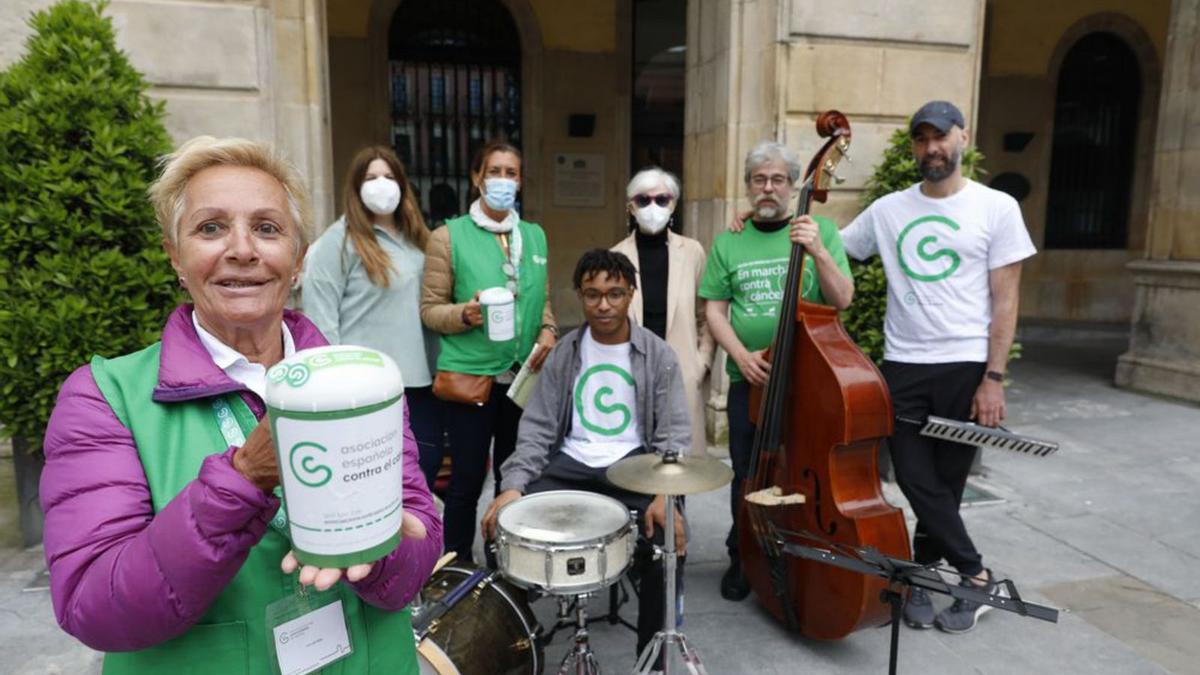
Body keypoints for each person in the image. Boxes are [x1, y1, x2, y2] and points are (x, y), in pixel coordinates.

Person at [39, 136, 442, 673]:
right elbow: (95, 606)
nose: (243, 250)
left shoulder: (363, 384)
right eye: (211, 228)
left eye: (267, 228)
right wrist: (245, 479)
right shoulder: (104, 397)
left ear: (297, 260)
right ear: (174, 256)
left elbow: (416, 549)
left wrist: (383, 549)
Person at [839, 100, 1035, 634]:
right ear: (913, 149)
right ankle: (976, 575)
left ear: (962, 140)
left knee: (945, 485)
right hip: (903, 365)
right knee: (913, 476)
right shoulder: (888, 210)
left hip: (965, 367)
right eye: (922, 140)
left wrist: (993, 378)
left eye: (940, 137)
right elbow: (838, 250)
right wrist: (773, 223)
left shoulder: (996, 207)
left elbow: (1006, 300)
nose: (932, 148)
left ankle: (926, 575)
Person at [481, 249, 690, 659]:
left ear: (631, 294)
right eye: (592, 294)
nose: (604, 304)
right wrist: (513, 486)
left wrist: (668, 496)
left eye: (614, 293)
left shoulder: (659, 355)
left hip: (635, 467)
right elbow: (538, 427)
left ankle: (652, 658)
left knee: (666, 548)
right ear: (580, 295)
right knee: (499, 532)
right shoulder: (565, 352)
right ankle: (519, 645)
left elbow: (673, 432)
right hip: (571, 465)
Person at [700, 140, 854, 601]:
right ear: (748, 186)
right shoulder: (729, 239)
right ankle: (743, 554)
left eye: (778, 179)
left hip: (810, 382)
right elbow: (714, 311)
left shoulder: (820, 229)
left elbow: (842, 299)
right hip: (753, 381)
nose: (768, 188)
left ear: (793, 186)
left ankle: (801, 552)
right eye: (759, 179)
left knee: (805, 475)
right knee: (749, 474)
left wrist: (819, 253)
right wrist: (740, 356)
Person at [420, 140, 557, 563]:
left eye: (511, 173)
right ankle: (457, 567)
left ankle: (508, 565)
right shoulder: (448, 236)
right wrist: (466, 314)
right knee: (464, 481)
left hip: (521, 380)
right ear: (477, 178)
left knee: (513, 477)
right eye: (494, 171)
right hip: (471, 379)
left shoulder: (533, 236)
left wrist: (550, 330)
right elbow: (429, 311)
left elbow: (543, 301)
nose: (502, 180)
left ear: (520, 182)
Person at [303, 145, 445, 489]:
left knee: (425, 468)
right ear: (356, 186)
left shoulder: (418, 239)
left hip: (421, 381)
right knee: (376, 481)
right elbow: (321, 323)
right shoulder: (337, 243)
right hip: (367, 388)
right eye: (371, 177)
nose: (381, 184)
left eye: (388, 176)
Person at [612, 167, 714, 454]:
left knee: (679, 463)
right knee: (636, 461)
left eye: (662, 199)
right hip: (632, 372)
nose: (653, 207)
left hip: (681, 370)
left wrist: (700, 363)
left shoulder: (693, 252)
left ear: (673, 204)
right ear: (630, 207)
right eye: (643, 200)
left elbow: (706, 315)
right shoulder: (616, 256)